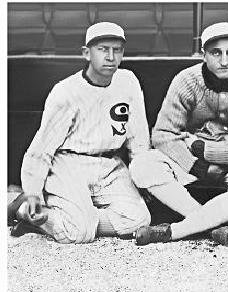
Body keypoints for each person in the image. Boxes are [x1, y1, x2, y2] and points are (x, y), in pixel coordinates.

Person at [8, 22, 151, 243]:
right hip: (69, 163)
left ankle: (65, 219)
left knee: (138, 220)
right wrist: (34, 190)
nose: (111, 57)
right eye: (103, 49)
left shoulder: (128, 81)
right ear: (87, 53)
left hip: (109, 164)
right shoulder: (66, 92)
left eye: (117, 50)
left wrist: (143, 176)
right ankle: (26, 209)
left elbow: (138, 137)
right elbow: (41, 149)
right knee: (77, 234)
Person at [129, 22, 228, 245]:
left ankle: (180, 229)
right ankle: (212, 227)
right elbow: (163, 134)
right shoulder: (187, 80)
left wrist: (204, 149)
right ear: (204, 55)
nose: (223, 61)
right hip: (190, 163)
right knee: (142, 164)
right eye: (215, 53)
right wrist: (198, 165)